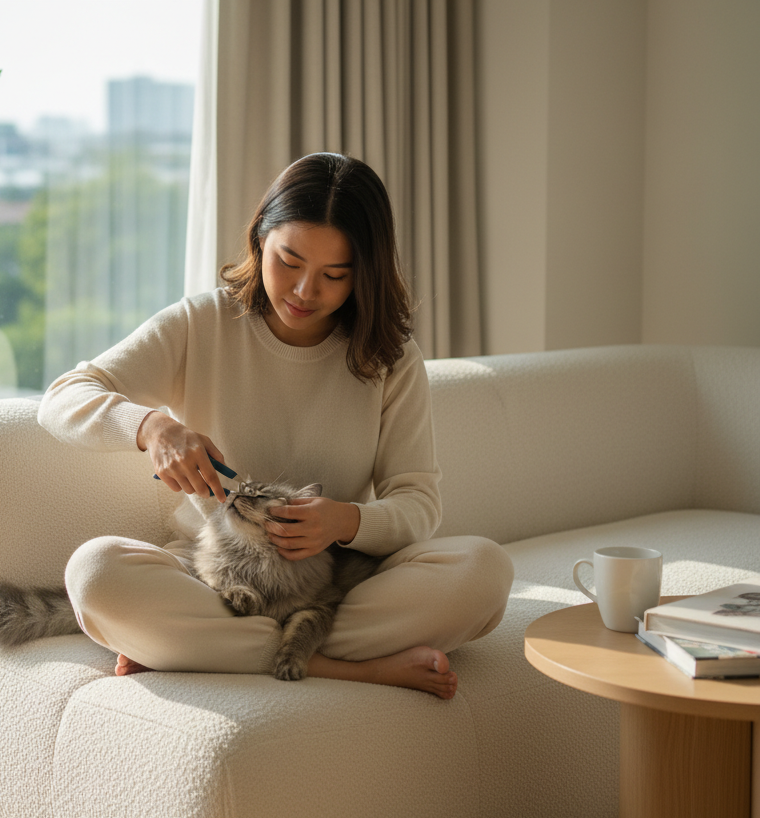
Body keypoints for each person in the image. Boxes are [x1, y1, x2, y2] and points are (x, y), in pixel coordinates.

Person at [38, 152, 513, 699]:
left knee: (484, 571)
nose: (305, 291)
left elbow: (419, 504)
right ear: (260, 239)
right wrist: (152, 428)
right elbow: (62, 398)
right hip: (214, 582)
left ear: (365, 274)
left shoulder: (391, 358)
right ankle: (340, 663)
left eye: (335, 275)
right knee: (95, 573)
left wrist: (345, 521)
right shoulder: (200, 323)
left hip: (328, 589)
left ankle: (193, 648)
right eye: (289, 261)